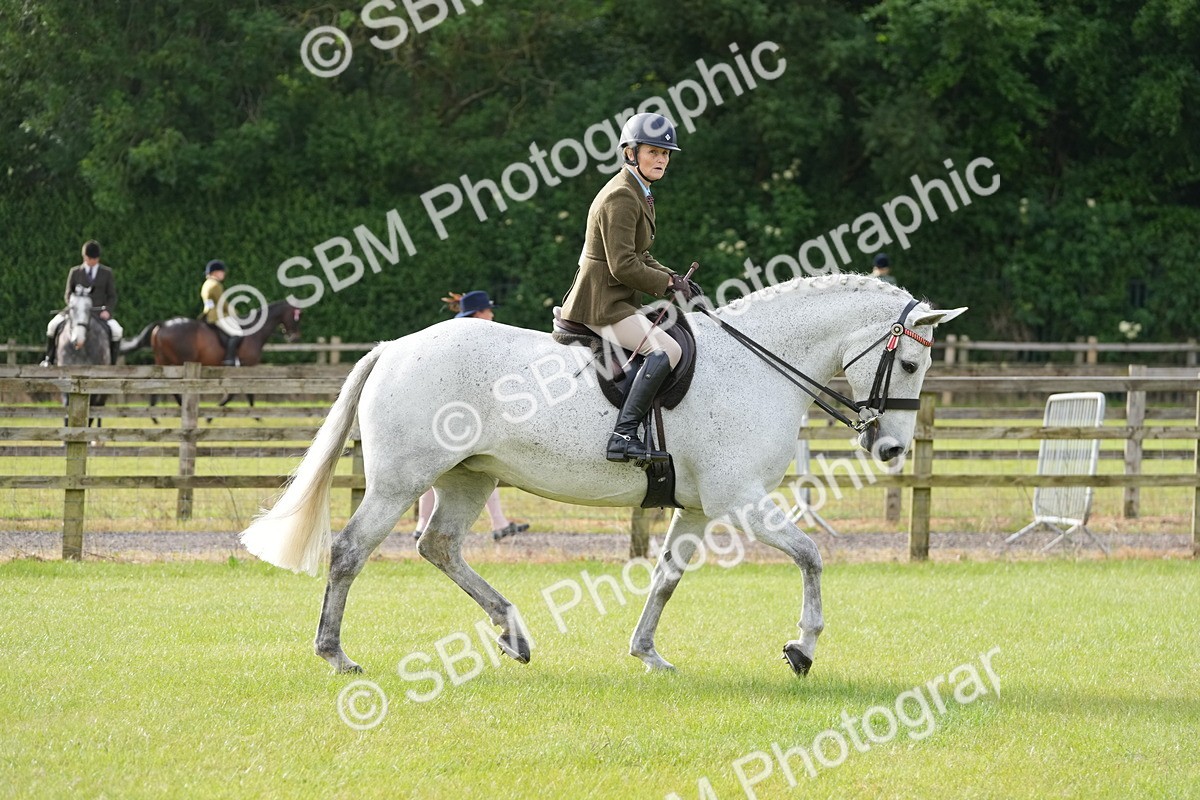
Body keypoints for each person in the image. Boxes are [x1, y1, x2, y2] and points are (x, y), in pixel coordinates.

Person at [559, 112, 698, 465]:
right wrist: (665, 284)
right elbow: (623, 265)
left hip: (616, 297)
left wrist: (674, 278)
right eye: (653, 152)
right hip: (601, 303)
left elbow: (641, 255)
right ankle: (623, 435)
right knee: (667, 350)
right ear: (630, 153)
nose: (662, 160)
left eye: (666, 154)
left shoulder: (638, 192)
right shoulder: (621, 197)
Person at [413, 289, 529, 541]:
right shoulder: (472, 337)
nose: (492, 314)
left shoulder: (455, 334)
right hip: (457, 414)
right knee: (475, 469)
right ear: (479, 313)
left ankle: (423, 525)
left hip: (448, 413)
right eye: (488, 310)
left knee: (437, 470)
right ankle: (497, 524)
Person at [41, 240, 124, 366]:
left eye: (95, 259)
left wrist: (107, 310)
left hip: (98, 312)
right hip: (75, 312)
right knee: (52, 326)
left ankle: (112, 364)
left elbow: (112, 296)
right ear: (84, 257)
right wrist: (74, 307)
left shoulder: (106, 273)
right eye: (90, 258)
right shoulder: (75, 272)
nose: (93, 262)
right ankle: (49, 359)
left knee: (117, 330)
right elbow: (68, 294)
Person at [200, 259, 244, 365]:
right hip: (217, 316)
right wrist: (235, 312)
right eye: (222, 271)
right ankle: (229, 358)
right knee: (238, 333)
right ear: (215, 272)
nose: (224, 274)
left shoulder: (206, 284)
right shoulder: (215, 285)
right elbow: (222, 303)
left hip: (208, 313)